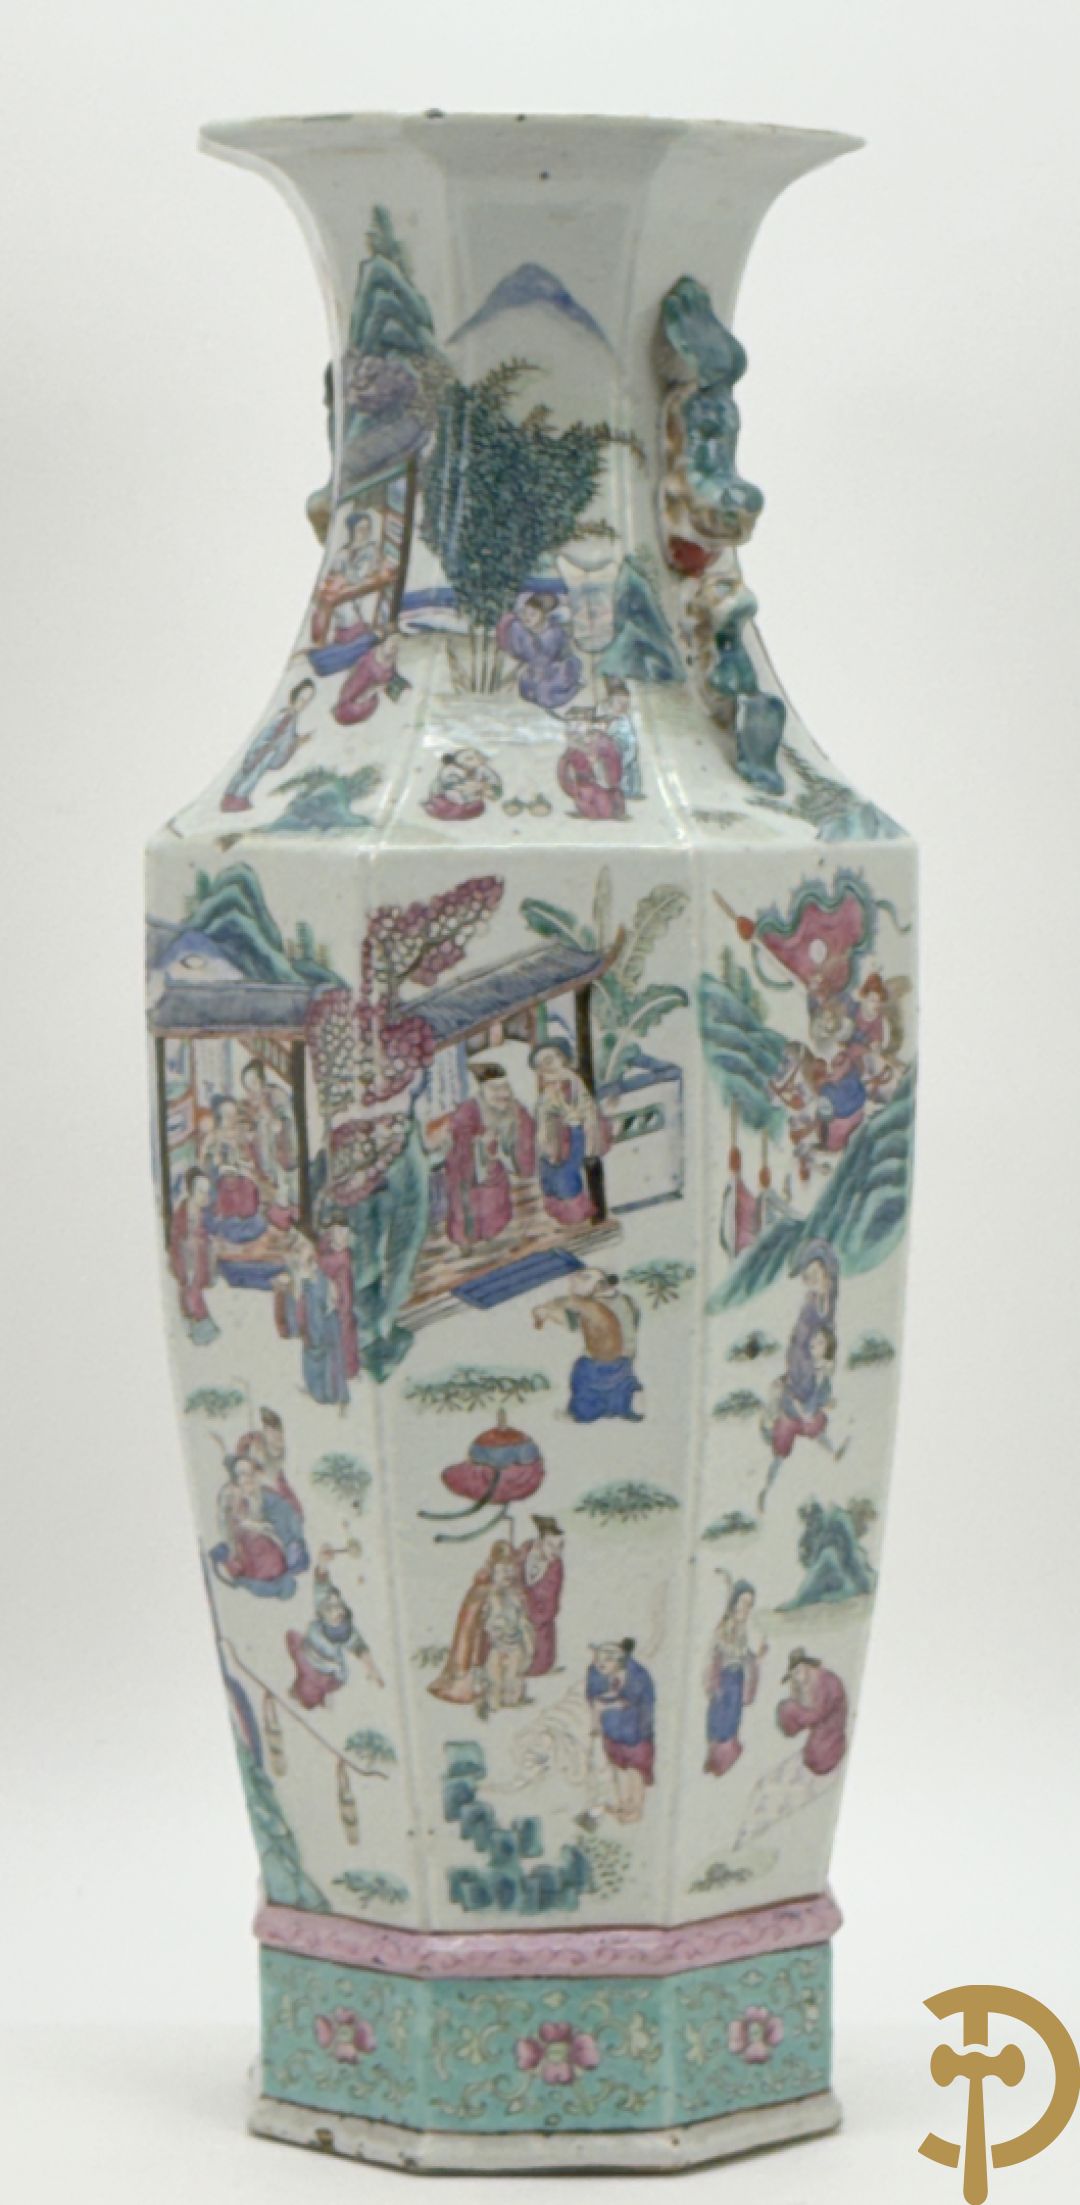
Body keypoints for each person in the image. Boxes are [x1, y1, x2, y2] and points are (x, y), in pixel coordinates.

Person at [443, 1063, 536, 1250]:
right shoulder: (469, 1109)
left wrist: (517, 1137)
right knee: (471, 1204)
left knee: (496, 1199)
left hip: (496, 1165)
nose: (502, 1093)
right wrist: (479, 1142)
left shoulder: (513, 1106)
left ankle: (495, 1233)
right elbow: (460, 1136)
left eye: (504, 1087)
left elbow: (527, 1127)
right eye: (494, 1088)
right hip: (469, 1168)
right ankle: (467, 1240)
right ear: (482, 1089)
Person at [534, 1267, 643, 1422]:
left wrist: (548, 1311)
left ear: (599, 1285)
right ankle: (627, 1402)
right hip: (626, 1359)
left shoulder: (590, 1305)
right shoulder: (627, 1300)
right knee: (619, 1384)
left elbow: (570, 1317)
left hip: (598, 1361)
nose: (572, 1283)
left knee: (584, 1381)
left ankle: (581, 1413)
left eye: (582, 1279)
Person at [211, 1432, 309, 1598]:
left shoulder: (266, 1496)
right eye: (241, 1474)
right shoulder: (232, 1499)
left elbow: (287, 1518)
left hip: (272, 1556)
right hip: (250, 1560)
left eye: (250, 1473)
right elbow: (229, 1527)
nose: (247, 1478)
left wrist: (260, 1527)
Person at [285, 1550, 383, 1708]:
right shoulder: (321, 1607)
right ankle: (301, 1688)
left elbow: (360, 1649)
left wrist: (372, 1669)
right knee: (298, 1656)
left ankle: (314, 1696)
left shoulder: (345, 1632)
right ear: (323, 1611)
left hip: (325, 1669)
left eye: (339, 1608)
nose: (336, 1611)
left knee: (309, 1687)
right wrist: (323, 1562)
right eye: (330, 1608)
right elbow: (322, 1585)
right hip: (308, 1653)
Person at [530, 1037, 608, 1226]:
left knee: (567, 1177)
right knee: (550, 1177)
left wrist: (573, 1116)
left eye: (549, 1060)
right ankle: (561, 1215)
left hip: (572, 1134)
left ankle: (576, 1217)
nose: (546, 1067)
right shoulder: (548, 1088)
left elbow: (584, 1107)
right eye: (540, 1065)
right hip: (552, 1139)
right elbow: (544, 1115)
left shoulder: (571, 1081)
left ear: (562, 1058)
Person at [428, 1539, 512, 1706]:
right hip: (474, 1632)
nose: (506, 1573)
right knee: (471, 1654)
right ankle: (464, 1685)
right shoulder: (484, 1588)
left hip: (479, 1629)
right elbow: (475, 1616)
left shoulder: (489, 1586)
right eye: (503, 1568)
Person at [273, 1230, 351, 1407]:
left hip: (324, 1322)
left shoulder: (319, 1272)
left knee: (329, 1360)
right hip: (311, 1326)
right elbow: (292, 1318)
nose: (301, 1252)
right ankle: (322, 1393)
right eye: (297, 1250)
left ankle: (334, 1395)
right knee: (314, 1357)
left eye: (303, 1248)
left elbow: (330, 1296)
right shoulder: (297, 1273)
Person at [586, 1639, 656, 1823]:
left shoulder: (637, 1675)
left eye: (605, 1662)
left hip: (636, 1732)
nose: (599, 1665)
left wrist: (604, 1705)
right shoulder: (596, 1672)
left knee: (636, 1769)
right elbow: (593, 1698)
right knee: (618, 1766)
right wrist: (596, 1726)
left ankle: (636, 1808)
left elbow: (629, 1701)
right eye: (597, 1661)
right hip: (612, 1730)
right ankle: (624, 1804)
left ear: (618, 1661)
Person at [220, 680, 316, 812]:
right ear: (294, 697)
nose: (304, 703)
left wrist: (297, 741)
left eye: (307, 700)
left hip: (269, 750)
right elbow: (275, 734)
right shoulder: (286, 716)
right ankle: (237, 797)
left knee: (248, 772)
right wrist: (290, 744)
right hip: (266, 750)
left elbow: (286, 738)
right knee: (252, 774)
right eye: (302, 699)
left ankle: (232, 795)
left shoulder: (292, 716)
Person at [704, 1580, 766, 1776]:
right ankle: (716, 1759)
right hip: (724, 1679)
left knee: (732, 1720)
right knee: (720, 1720)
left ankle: (722, 1760)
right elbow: (722, 1647)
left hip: (736, 1679)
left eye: (750, 1605)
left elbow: (744, 1653)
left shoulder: (741, 1628)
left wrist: (756, 1657)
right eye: (743, 1603)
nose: (746, 1609)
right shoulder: (727, 1625)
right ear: (734, 1602)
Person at [495, 591, 583, 712]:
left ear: (543, 615)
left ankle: (573, 689)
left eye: (533, 614)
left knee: (545, 693)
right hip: (536, 671)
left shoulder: (553, 633)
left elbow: (546, 657)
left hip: (558, 668)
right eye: (524, 613)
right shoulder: (521, 630)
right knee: (526, 690)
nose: (527, 618)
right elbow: (520, 653)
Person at [310, 509, 380, 648]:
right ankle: (331, 639)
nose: (364, 533)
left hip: (363, 592)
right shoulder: (343, 553)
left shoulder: (370, 550)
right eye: (360, 529)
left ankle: (354, 637)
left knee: (346, 608)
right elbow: (332, 574)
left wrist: (344, 578)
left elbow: (363, 576)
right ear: (352, 531)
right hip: (344, 593)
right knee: (330, 605)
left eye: (367, 529)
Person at [477, 1555, 536, 1716]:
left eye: (509, 1572)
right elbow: (485, 1620)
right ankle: (494, 1700)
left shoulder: (515, 1597)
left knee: (513, 1673)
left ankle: (512, 1698)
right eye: (502, 1572)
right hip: (497, 1643)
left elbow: (522, 1619)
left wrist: (527, 1639)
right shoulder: (490, 1597)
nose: (506, 1576)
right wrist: (491, 1628)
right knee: (494, 1673)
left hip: (514, 1642)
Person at [199, 1095, 263, 1239]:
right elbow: (205, 1162)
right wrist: (218, 1165)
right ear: (219, 1116)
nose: (230, 1119)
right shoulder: (213, 1137)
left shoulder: (240, 1135)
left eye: (233, 1115)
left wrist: (243, 1166)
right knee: (225, 1190)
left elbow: (249, 1158)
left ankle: (246, 1218)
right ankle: (227, 1220)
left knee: (248, 1187)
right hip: (219, 1176)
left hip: (240, 1174)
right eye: (227, 1115)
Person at [776, 1649, 848, 1774]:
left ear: (806, 1666)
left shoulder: (824, 1680)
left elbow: (820, 1712)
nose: (796, 1678)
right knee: (785, 1709)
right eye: (793, 1675)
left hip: (831, 1725)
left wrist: (797, 1713)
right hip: (820, 1723)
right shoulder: (805, 1684)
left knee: (818, 1757)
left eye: (798, 1672)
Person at [239, 1060, 298, 1216]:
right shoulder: (252, 1103)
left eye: (254, 1082)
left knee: (290, 1195)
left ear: (262, 1080)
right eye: (248, 1086)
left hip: (283, 1154)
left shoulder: (276, 1095)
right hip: (268, 1160)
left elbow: (283, 1123)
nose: (252, 1089)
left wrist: (271, 1117)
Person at [168, 1167, 219, 1343]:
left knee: (195, 1290)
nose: (206, 1197)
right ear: (190, 1191)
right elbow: (177, 1240)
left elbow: (205, 1231)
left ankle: (198, 1325)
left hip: (198, 1254)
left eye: (207, 1192)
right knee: (191, 1292)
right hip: (187, 1257)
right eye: (201, 1192)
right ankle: (200, 1327)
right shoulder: (183, 1211)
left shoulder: (201, 1211)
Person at [557, 710, 628, 821]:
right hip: (583, 789)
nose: (574, 728)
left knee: (605, 810)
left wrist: (599, 764)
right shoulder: (573, 749)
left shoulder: (603, 743)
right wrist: (571, 788)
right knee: (589, 806)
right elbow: (563, 770)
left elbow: (614, 765)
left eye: (579, 724)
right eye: (570, 725)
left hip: (604, 788)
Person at [517, 1517, 565, 1675]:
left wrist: (532, 1614)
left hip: (539, 1618)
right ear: (539, 1542)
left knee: (539, 1660)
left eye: (560, 1546)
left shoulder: (555, 1566)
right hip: (517, 1613)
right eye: (551, 1545)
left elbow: (551, 1599)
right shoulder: (524, 1552)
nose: (556, 1551)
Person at [316, 1220, 361, 1385]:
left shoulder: (345, 1254)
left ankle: (349, 1370)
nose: (343, 1236)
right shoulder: (326, 1255)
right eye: (339, 1232)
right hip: (334, 1304)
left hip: (345, 1304)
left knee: (347, 1336)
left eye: (345, 1233)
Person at [333, 630, 403, 726]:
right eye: (393, 644)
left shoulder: (374, 656)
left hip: (368, 677)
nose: (394, 647)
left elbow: (354, 675)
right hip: (370, 678)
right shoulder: (349, 701)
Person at [424, 748, 503, 822]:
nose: (465, 765)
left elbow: (493, 787)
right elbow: (445, 784)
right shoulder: (452, 771)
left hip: (471, 798)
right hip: (454, 796)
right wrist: (461, 786)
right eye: (468, 760)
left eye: (476, 757)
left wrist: (483, 787)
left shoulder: (482, 769)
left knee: (476, 805)